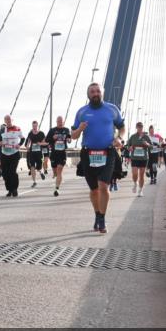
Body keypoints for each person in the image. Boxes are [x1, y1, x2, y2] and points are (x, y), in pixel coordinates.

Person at [71, 82, 125, 234]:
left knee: (103, 186)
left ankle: (102, 218)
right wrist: (80, 129)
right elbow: (73, 135)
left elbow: (122, 126)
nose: (95, 94)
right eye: (92, 91)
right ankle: (97, 214)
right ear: (88, 94)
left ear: (102, 93)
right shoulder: (82, 112)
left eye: (97, 91)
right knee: (94, 189)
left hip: (107, 152)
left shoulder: (112, 109)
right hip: (88, 154)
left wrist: (120, 138)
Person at [45, 116, 70, 197]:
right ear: (56, 121)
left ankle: (57, 188)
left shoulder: (66, 130)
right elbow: (47, 140)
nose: (60, 122)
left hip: (62, 153)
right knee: (55, 171)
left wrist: (69, 140)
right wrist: (53, 137)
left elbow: (69, 139)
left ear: (63, 122)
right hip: (54, 153)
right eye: (58, 121)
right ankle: (54, 174)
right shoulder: (52, 130)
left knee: (59, 170)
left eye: (61, 121)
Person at [0, 115, 24, 197]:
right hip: (4, 154)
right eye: (6, 119)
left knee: (12, 172)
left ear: (12, 120)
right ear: (5, 121)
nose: (8, 121)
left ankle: (14, 189)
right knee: (5, 173)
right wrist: (0, 143)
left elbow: (23, 138)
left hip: (14, 153)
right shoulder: (2, 129)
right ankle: (9, 189)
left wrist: (19, 144)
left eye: (9, 119)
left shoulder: (17, 128)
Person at [126, 121, 152, 197]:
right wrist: (129, 148)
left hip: (143, 158)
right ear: (136, 127)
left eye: (141, 127)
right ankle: (135, 183)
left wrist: (147, 144)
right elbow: (128, 146)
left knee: (141, 175)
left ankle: (140, 190)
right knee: (134, 174)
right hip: (134, 158)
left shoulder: (146, 137)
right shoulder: (133, 136)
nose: (140, 128)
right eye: (138, 127)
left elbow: (152, 146)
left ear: (142, 128)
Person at [25, 121, 46, 188]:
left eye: (35, 126)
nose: (34, 127)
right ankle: (34, 182)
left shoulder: (41, 133)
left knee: (39, 167)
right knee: (32, 167)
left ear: (37, 126)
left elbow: (46, 142)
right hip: (32, 152)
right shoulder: (30, 133)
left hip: (39, 153)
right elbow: (28, 141)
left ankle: (41, 172)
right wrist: (27, 146)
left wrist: (40, 144)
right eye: (33, 126)